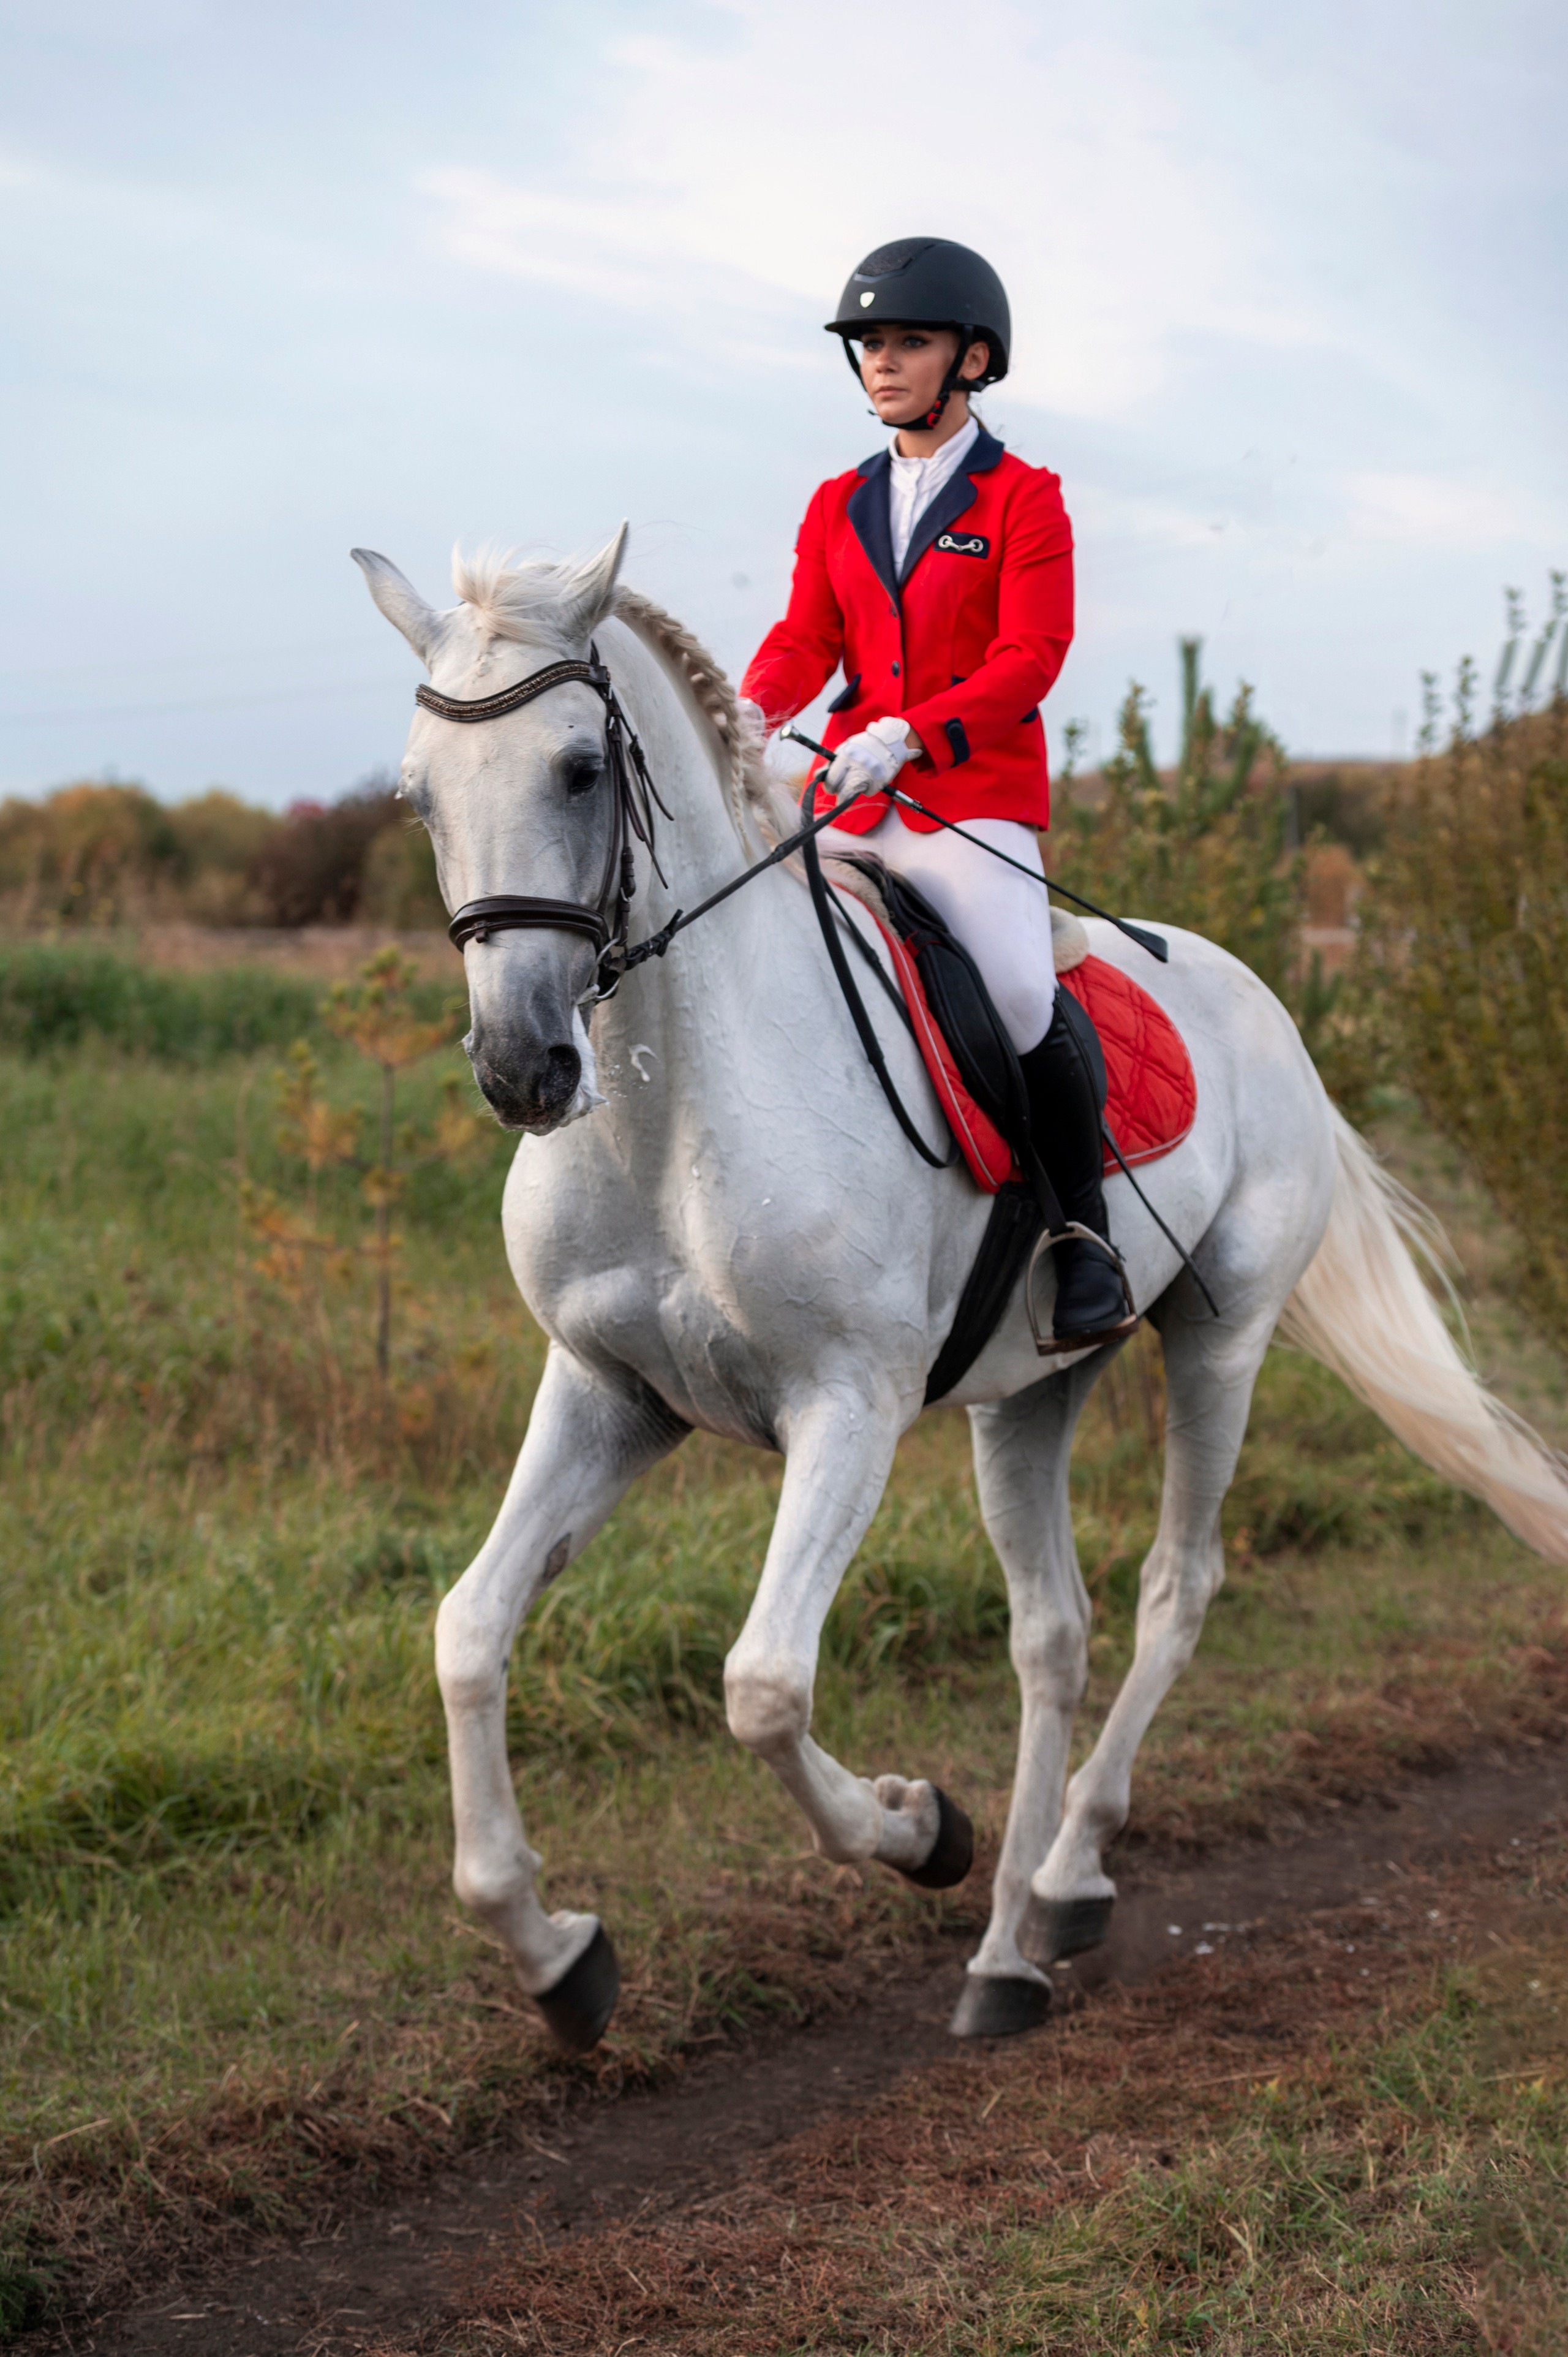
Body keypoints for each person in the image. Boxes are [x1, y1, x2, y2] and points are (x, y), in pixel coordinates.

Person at [739, 235, 1134, 1347]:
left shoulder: (1026, 499)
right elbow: (804, 637)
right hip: (849, 800)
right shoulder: (837, 503)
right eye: (870, 343)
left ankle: (1081, 1235)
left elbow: (1030, 657)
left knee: (1014, 993)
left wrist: (912, 734)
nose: (882, 360)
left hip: (970, 799)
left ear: (973, 359)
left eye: (909, 341)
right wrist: (749, 712)